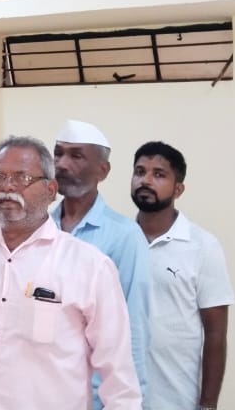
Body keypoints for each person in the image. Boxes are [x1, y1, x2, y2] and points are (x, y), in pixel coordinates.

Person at [0, 136, 141, 410]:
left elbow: (120, 380)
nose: (8, 187)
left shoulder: (89, 266)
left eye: (22, 178)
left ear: (51, 189)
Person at [52, 119, 151, 406]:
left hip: (97, 399)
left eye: (76, 156)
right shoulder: (41, 229)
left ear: (103, 171)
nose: (62, 164)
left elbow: (134, 329)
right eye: (58, 154)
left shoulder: (124, 236)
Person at [131, 142, 233, 410]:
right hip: (118, 398)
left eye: (159, 174)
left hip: (176, 400)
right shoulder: (120, 240)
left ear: (178, 189)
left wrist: (208, 405)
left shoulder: (202, 246)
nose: (145, 180)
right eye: (140, 171)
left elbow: (215, 335)